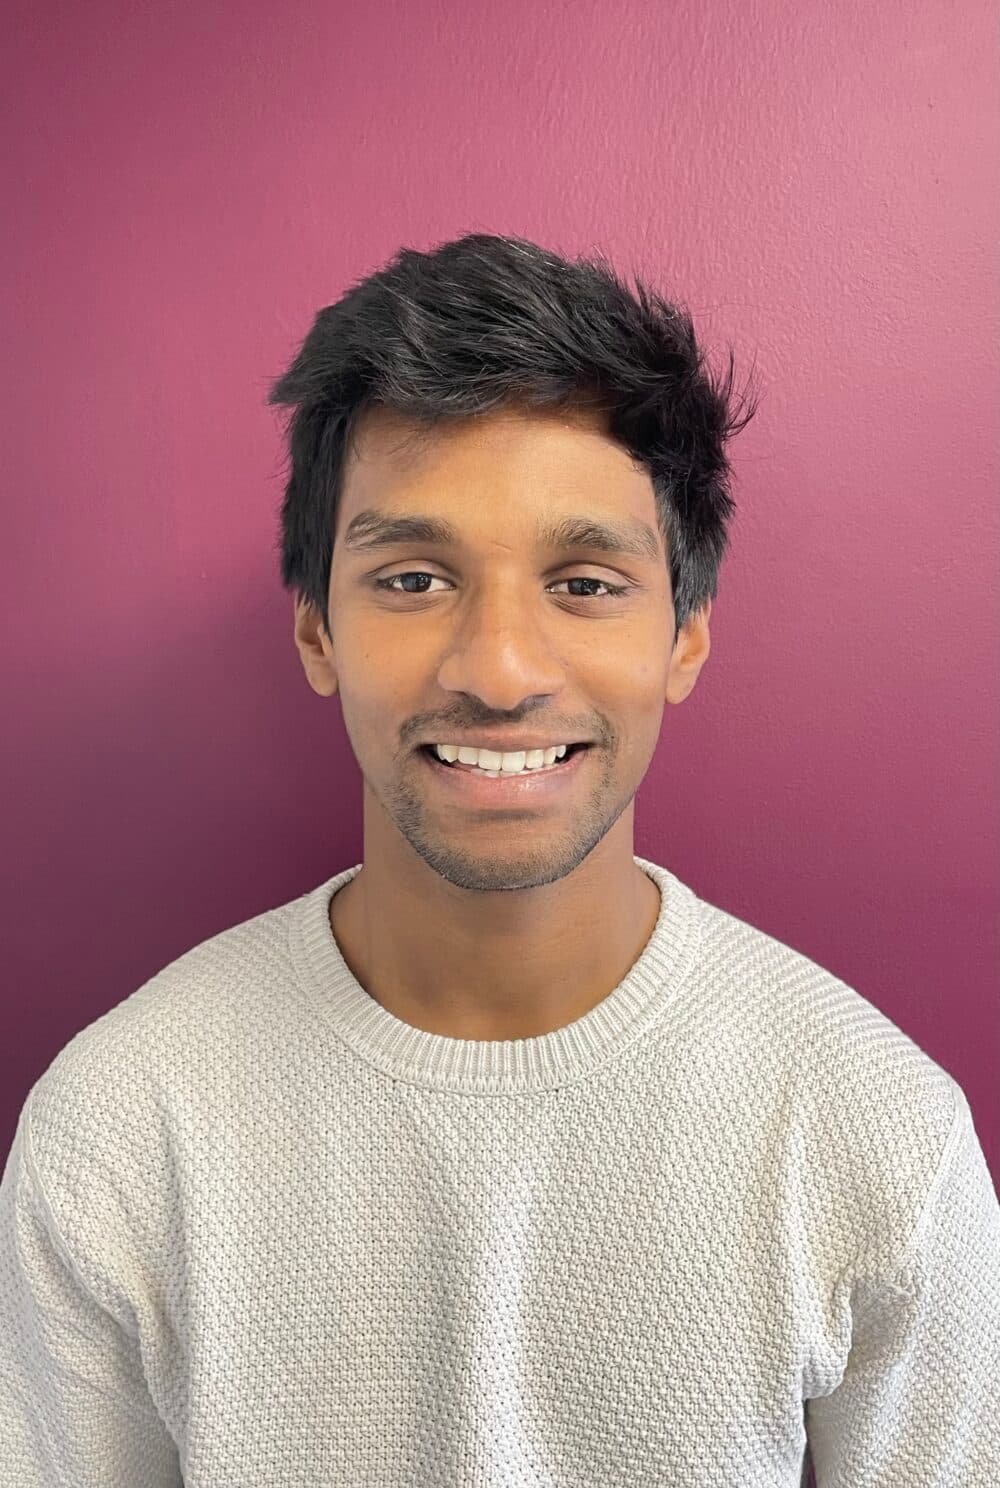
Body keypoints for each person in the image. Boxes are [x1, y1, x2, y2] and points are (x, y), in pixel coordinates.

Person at [1, 233, 997, 1487]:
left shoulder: (882, 1137)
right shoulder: (119, 1126)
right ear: (317, 629)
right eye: (413, 578)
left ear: (684, 636)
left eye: (584, 583)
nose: (499, 670)